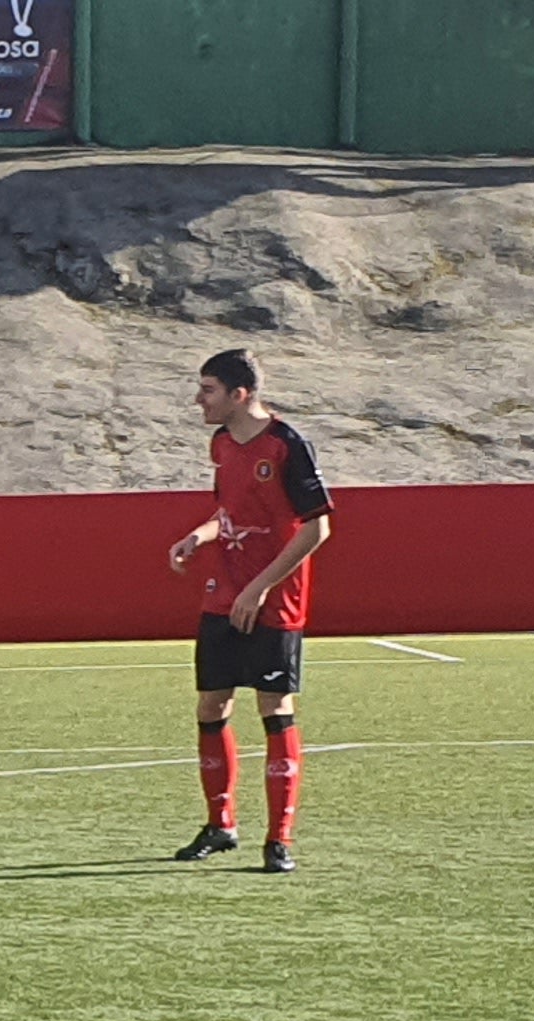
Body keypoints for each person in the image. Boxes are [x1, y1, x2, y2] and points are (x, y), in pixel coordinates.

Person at [166, 348, 333, 875]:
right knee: (211, 705)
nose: (198, 399)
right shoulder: (220, 444)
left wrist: (259, 589)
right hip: (224, 592)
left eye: (208, 389)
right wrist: (199, 534)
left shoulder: (286, 445)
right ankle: (221, 825)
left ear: (241, 395)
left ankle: (279, 839)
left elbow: (317, 527)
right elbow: (229, 513)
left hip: (273, 598)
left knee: (273, 709)